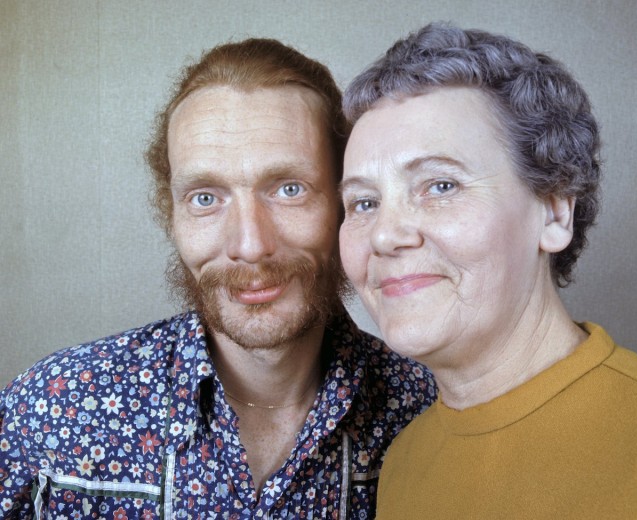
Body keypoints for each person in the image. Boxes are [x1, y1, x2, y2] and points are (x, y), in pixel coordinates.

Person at [0, 38, 436, 519]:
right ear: (173, 216)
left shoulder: (426, 413)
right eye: (206, 198)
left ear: (345, 202)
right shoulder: (48, 411)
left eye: (289, 189)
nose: (249, 245)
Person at [339, 22, 637, 518]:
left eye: (440, 186)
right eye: (364, 202)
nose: (384, 235)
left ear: (554, 213)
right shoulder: (402, 462)